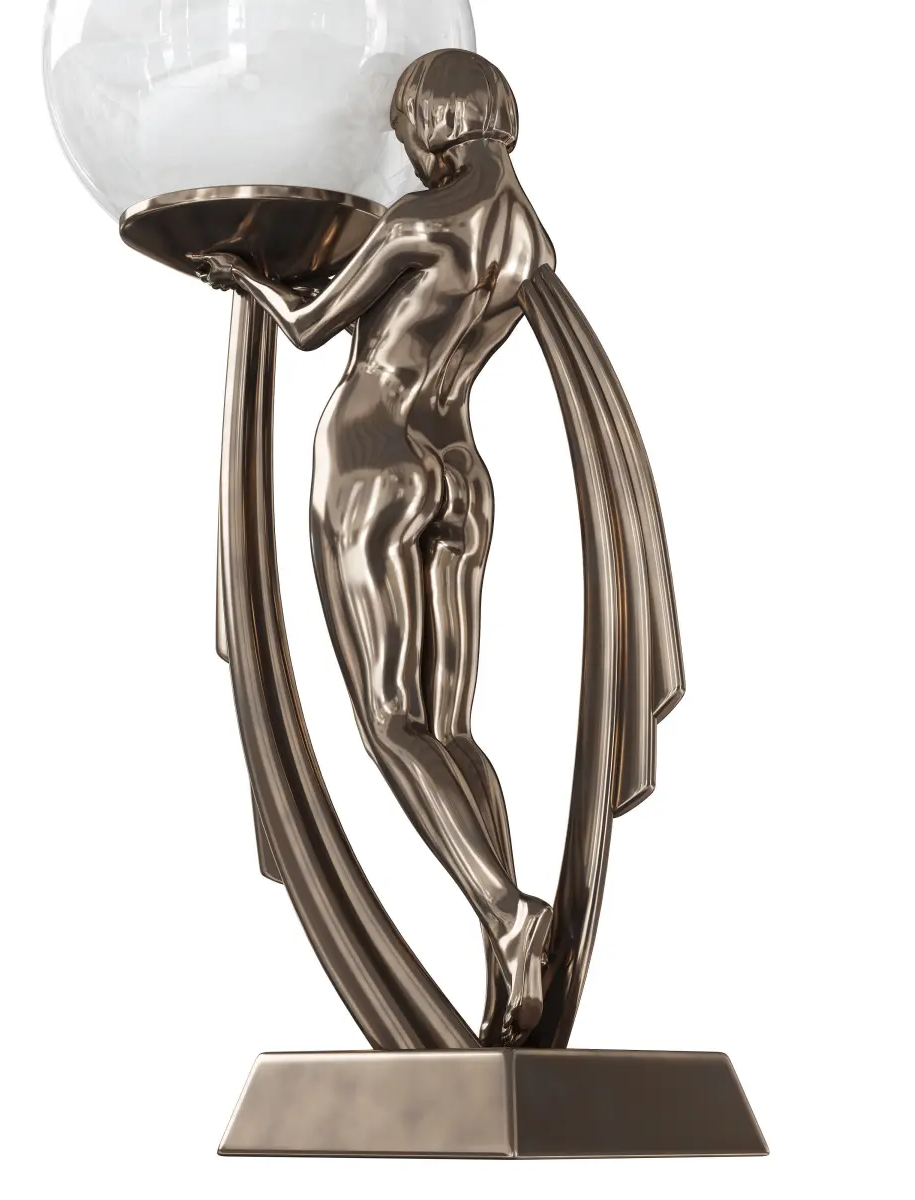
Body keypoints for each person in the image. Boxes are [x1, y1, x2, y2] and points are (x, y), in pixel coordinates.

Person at [195, 50, 556, 1046]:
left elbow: (314, 324)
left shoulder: (416, 221)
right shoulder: (528, 238)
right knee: (452, 731)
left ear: (430, 122)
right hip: (461, 470)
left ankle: (507, 912)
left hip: (375, 453)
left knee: (392, 724)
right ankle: (508, 945)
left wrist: (242, 277)